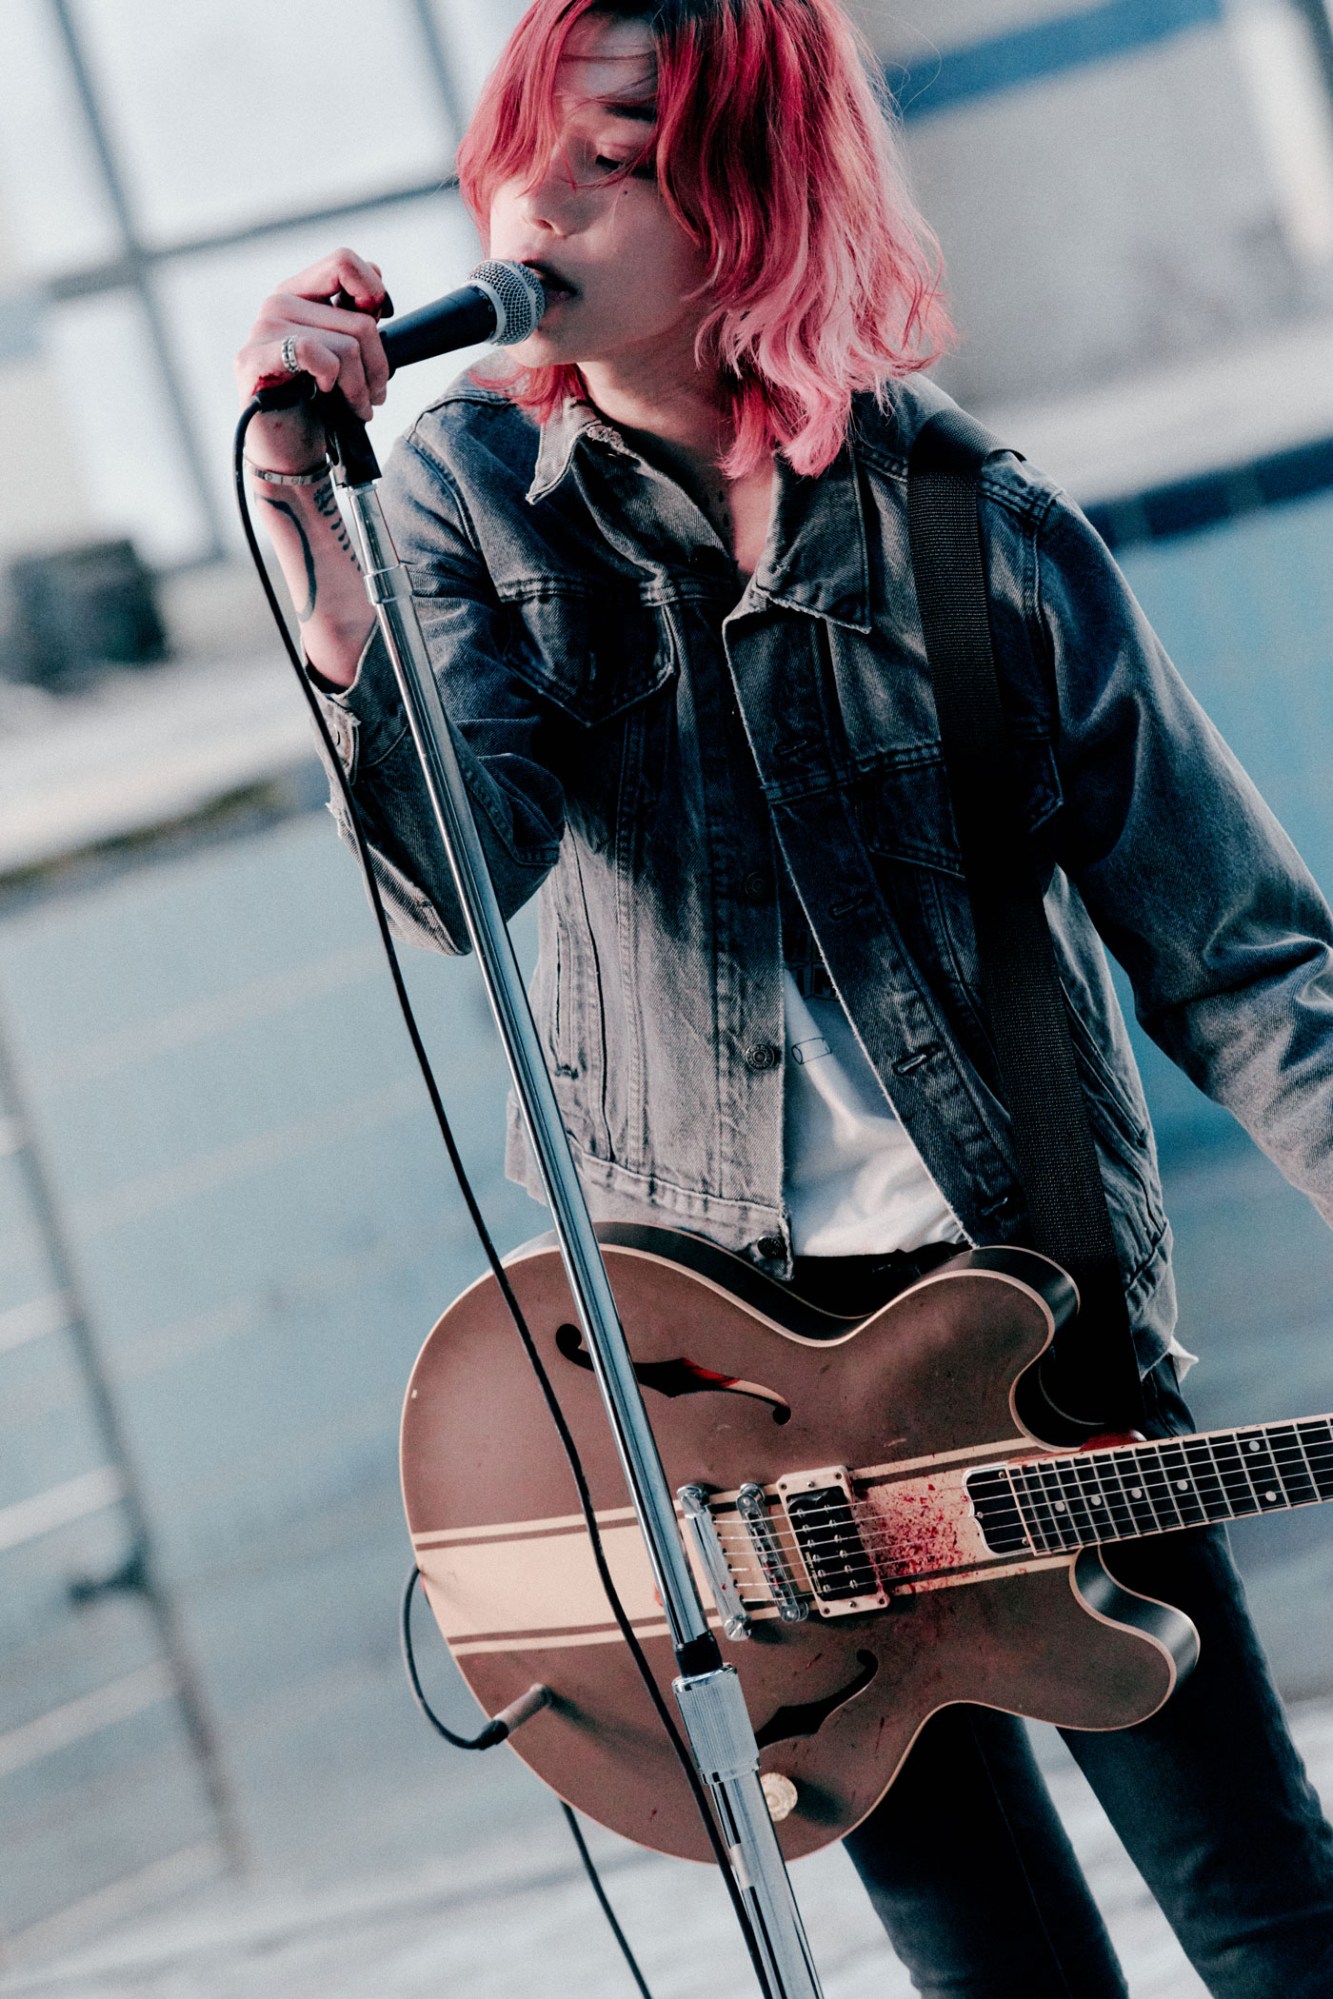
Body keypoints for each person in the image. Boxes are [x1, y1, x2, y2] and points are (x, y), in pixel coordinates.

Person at [235, 0, 1333, 1990]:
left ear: (748, 200)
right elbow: (455, 874)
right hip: (719, 1387)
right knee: (986, 1949)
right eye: (522, 148)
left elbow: (1249, 962)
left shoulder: (974, 532)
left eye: (617, 154)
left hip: (1038, 1327)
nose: (534, 201)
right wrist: (329, 570)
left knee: (1265, 1908)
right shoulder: (470, 507)